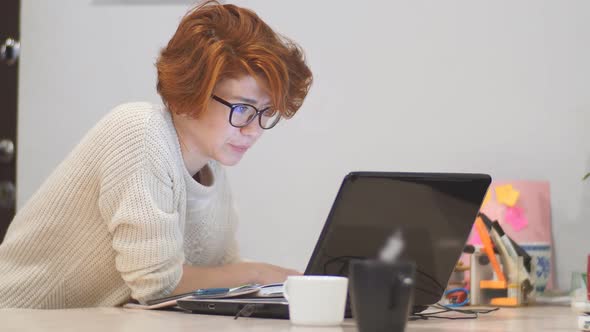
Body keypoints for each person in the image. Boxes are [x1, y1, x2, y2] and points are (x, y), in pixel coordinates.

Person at [0, 1, 312, 308]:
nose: (254, 129)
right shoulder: (140, 132)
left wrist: (266, 284)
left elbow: (219, 272)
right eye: (243, 109)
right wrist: (256, 274)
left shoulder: (211, 167)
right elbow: (157, 284)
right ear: (192, 93)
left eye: (266, 112)